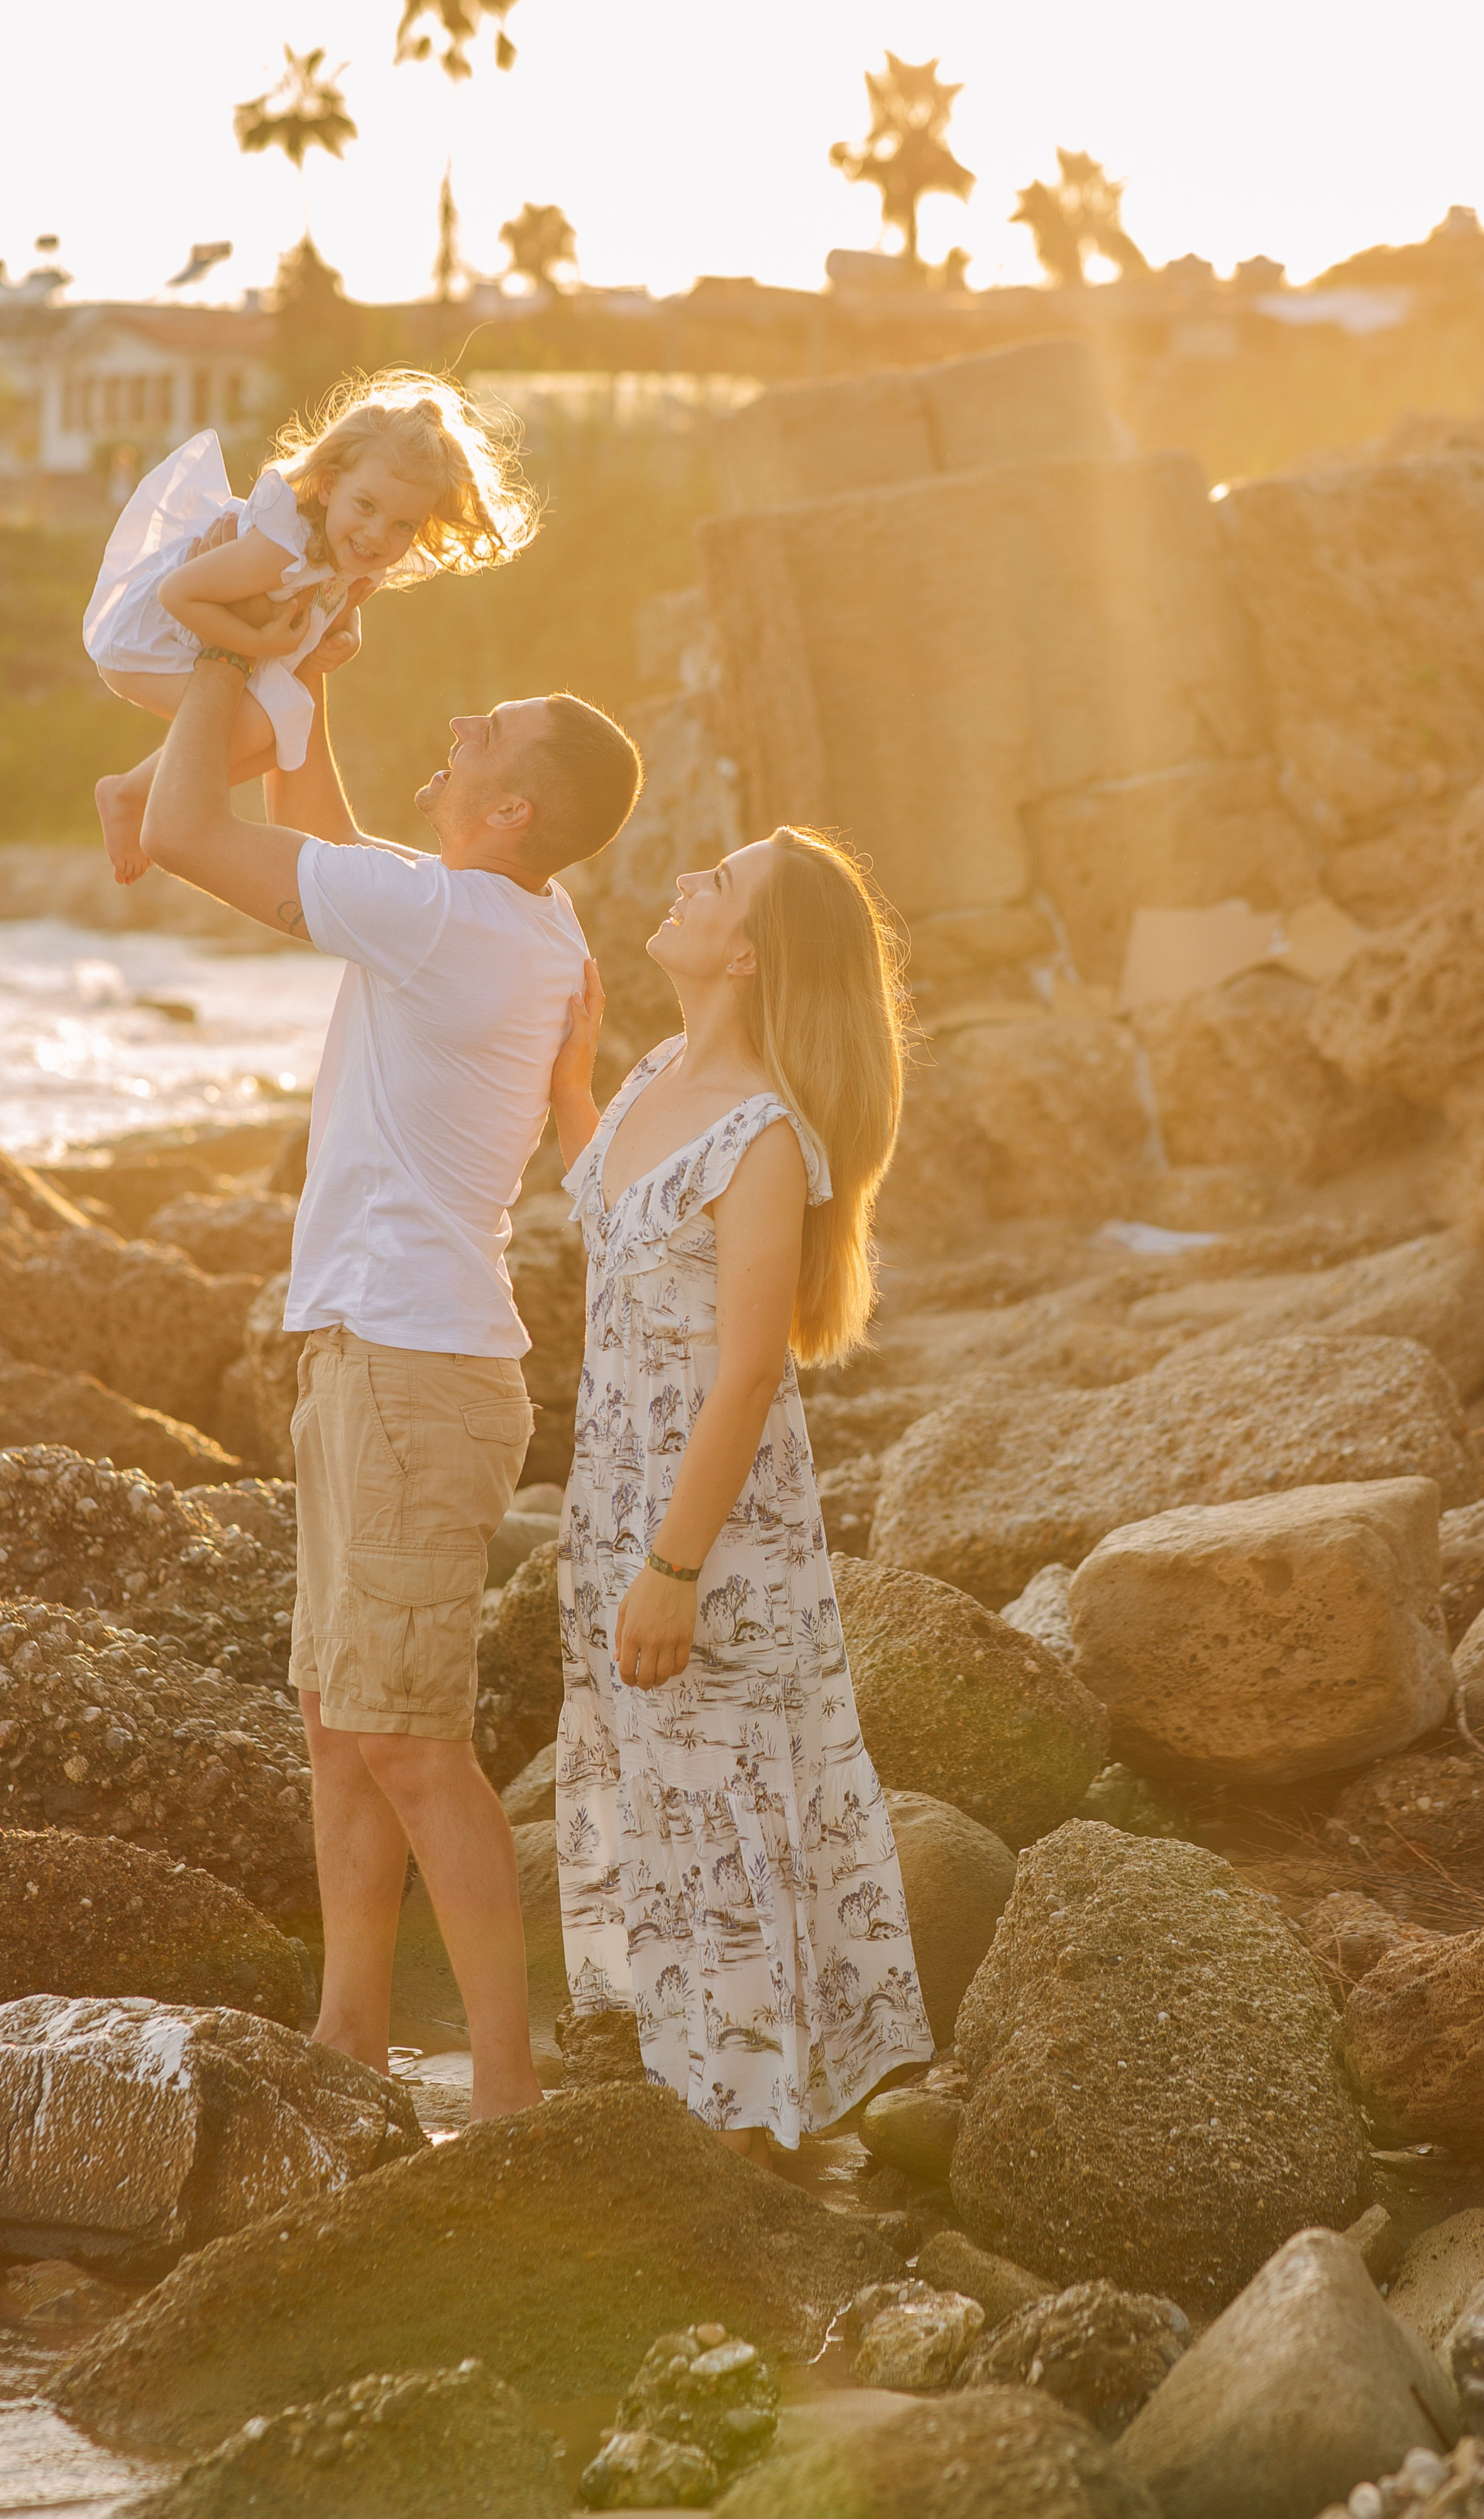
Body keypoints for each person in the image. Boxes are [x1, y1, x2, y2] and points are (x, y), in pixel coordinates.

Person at [137, 634, 642, 2117]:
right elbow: (325, 839)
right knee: (340, 1718)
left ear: (511, 810)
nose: (466, 717)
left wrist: (220, 657)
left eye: (496, 726)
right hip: (377, 1355)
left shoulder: (446, 921)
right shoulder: (497, 910)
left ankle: (506, 2090)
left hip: (412, 1369)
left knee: (409, 1743)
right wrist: (307, 678)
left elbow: (183, 830)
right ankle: (347, 2041)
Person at [548, 828, 933, 2167]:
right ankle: (706, 2095)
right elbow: (620, 1223)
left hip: (710, 1535)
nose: (684, 883)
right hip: (617, 1504)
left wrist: (673, 1567)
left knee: (728, 1808)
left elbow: (752, 1369)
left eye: (716, 882)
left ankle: (753, 2135)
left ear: (752, 953)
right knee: (664, 1799)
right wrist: (572, 1087)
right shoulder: (655, 1075)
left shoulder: (764, 1135)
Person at [83, 368, 532, 884]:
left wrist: (349, 635)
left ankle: (148, 794)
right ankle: (129, 793)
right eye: (366, 506)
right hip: (146, 641)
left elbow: (337, 598)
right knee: (259, 726)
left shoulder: (359, 553)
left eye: (402, 525)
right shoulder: (281, 547)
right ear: (328, 485)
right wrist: (258, 641)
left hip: (210, 636)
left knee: (286, 737)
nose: (377, 535)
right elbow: (177, 594)